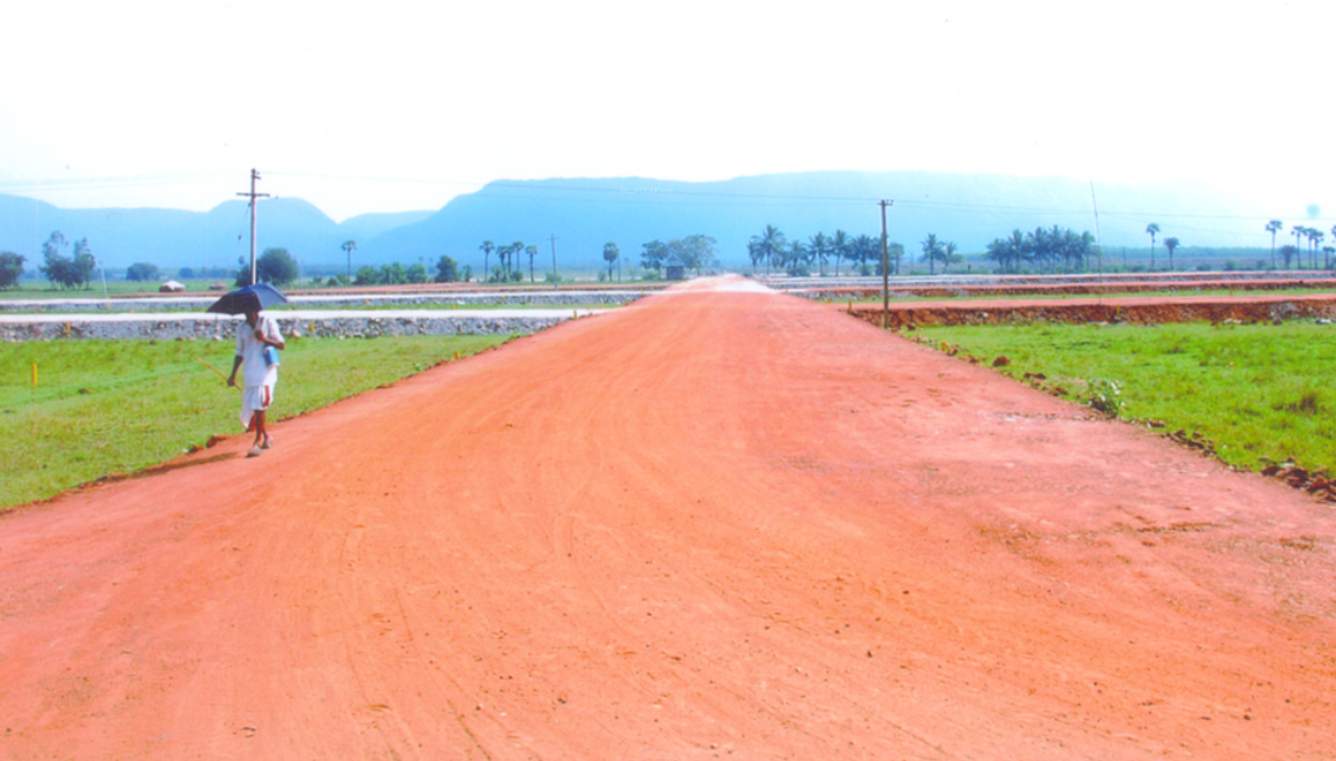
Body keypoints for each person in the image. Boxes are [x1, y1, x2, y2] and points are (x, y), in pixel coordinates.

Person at [227, 306, 285, 457]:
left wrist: (264, 338)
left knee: (260, 405)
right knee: (254, 407)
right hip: (250, 373)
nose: (251, 313)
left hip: (266, 371)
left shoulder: (267, 322)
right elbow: (239, 353)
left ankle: (257, 440)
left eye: (253, 310)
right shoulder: (242, 328)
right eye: (248, 311)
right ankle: (266, 436)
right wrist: (232, 374)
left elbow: (281, 345)